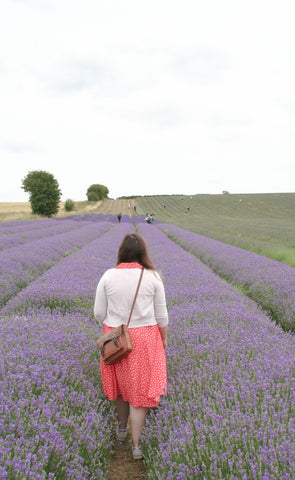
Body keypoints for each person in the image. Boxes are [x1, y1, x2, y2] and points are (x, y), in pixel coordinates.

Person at [94, 233, 168, 460]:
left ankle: (122, 431)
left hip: (115, 340)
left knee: (120, 389)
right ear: (143, 253)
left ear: (121, 252)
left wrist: (113, 327)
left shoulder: (108, 276)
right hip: (145, 340)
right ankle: (136, 446)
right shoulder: (153, 277)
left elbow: (98, 312)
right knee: (140, 393)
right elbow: (162, 316)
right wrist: (162, 340)